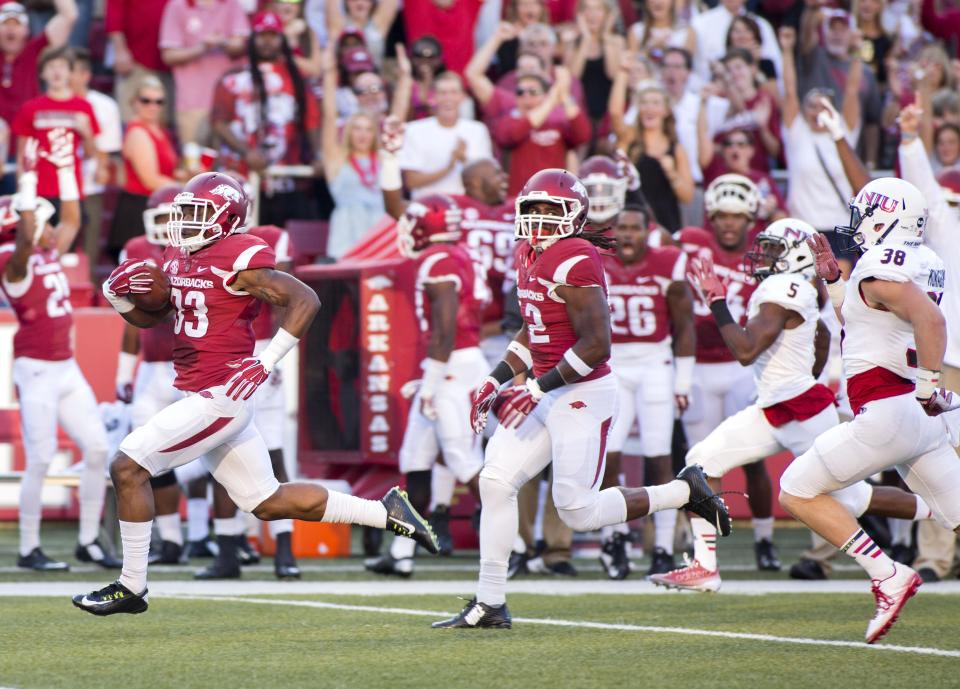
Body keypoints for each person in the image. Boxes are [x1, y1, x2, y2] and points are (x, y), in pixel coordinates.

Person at [74, 171, 439, 615]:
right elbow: (158, 320)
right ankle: (387, 513)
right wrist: (121, 300)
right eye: (184, 212)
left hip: (220, 395)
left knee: (127, 466)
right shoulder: (178, 254)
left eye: (197, 213)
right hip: (202, 393)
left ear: (226, 218)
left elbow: (305, 299)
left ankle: (131, 587)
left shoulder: (239, 255)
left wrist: (266, 362)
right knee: (265, 501)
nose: (186, 222)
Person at [432, 168, 730, 629]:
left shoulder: (575, 256)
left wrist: (532, 388)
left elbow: (595, 346)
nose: (541, 220)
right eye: (535, 209)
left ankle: (684, 491)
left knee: (578, 512)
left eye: (553, 210)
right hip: (550, 388)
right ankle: (490, 602)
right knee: (494, 482)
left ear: (575, 215)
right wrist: (495, 379)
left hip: (582, 392)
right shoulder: (526, 252)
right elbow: (534, 331)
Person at [654, 219, 934, 592]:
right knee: (701, 461)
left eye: (772, 250)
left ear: (794, 256)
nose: (763, 256)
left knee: (856, 497)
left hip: (801, 410)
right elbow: (819, 340)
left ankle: (941, 508)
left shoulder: (783, 287)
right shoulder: (795, 289)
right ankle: (705, 567)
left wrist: (717, 301)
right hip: (774, 406)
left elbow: (745, 349)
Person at [779, 177, 960, 644]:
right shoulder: (922, 260)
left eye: (864, 213)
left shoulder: (882, 262)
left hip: (890, 410)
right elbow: (867, 324)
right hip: (919, 421)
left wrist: (928, 382)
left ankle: (886, 574)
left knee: (796, 490)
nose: (857, 224)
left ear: (886, 215)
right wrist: (837, 285)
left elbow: (930, 320)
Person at [0, 134, 116, 571]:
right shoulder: (15, 259)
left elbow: (71, 218)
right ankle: (29, 547)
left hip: (66, 369)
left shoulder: (42, 251)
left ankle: (87, 540)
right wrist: (27, 178)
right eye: (39, 222)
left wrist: (66, 168)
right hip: (37, 372)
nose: (53, 230)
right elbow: (29, 239)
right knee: (43, 456)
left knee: (98, 450)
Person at [365, 194, 488, 577]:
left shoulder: (439, 261)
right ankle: (402, 551)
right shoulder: (456, 255)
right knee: (414, 460)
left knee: (462, 460)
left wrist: (431, 383)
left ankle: (513, 545)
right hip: (445, 368)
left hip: (451, 369)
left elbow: (446, 329)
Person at [676, 173, 778, 569]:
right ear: (710, 217)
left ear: (750, 217)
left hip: (743, 368)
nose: (730, 223)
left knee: (753, 460)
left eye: (737, 216)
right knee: (698, 465)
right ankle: (702, 552)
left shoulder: (765, 254)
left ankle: (766, 539)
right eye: (722, 216)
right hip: (699, 364)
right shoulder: (691, 245)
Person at [195, 222, 302, 581]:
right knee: (220, 453)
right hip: (226, 351)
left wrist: (274, 355)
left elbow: (286, 296)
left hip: (259, 348)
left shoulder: (266, 238)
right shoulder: (204, 244)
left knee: (272, 453)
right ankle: (228, 550)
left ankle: (284, 551)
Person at [600, 203, 695, 578]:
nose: (627, 235)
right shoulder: (599, 262)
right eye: (621, 228)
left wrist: (683, 380)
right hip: (613, 365)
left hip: (656, 362)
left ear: (647, 231)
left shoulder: (667, 262)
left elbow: (684, 325)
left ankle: (661, 544)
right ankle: (615, 536)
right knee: (609, 454)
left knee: (659, 455)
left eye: (634, 228)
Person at [898, 104, 960, 582]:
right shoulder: (947, 230)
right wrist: (910, 139)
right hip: (953, 356)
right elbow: (927, 195)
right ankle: (935, 556)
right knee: (940, 458)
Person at [115, 185, 185, 565]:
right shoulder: (137, 248)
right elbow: (128, 316)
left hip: (189, 366)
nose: (163, 226)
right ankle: (172, 539)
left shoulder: (197, 248)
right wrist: (124, 371)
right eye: (157, 216)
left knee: (216, 457)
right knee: (146, 452)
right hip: (153, 367)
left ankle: (221, 536)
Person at [211, 11, 323, 227]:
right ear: (252, 39)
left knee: (286, 247)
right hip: (242, 181)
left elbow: (311, 121)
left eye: (273, 35)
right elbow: (219, 122)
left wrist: (318, 155)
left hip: (288, 177)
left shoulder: (296, 78)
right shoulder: (233, 78)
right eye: (262, 35)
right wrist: (247, 151)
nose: (268, 41)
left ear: (282, 39)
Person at [779, 26, 861, 275]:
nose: (817, 112)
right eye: (811, 106)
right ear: (804, 112)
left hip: (839, 227)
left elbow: (852, 90)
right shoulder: (797, 133)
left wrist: (857, 51)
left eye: (824, 106)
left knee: (838, 291)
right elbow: (790, 90)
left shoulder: (842, 132)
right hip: (802, 227)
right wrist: (786, 49)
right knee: (806, 292)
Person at [13, 46, 99, 204]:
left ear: (70, 72)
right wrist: (22, 191)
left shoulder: (84, 107)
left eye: (62, 66)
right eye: (51, 67)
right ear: (42, 73)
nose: (57, 72)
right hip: (38, 190)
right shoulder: (30, 108)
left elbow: (91, 154)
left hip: (71, 189)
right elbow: (22, 155)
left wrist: (86, 132)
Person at [321, 47, 386, 259]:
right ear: (349, 132)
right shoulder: (337, 159)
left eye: (368, 129)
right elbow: (329, 117)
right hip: (347, 234)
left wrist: (404, 79)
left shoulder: (383, 159)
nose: (363, 134)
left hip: (380, 232)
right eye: (357, 128)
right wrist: (330, 76)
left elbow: (397, 114)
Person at [107, 76, 181, 260]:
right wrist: (186, 188)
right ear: (134, 103)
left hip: (157, 208)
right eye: (146, 100)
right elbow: (150, 179)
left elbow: (165, 172)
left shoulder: (160, 131)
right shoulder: (138, 132)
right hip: (139, 209)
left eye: (159, 101)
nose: (153, 106)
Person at [159, 0, 250, 146]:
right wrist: (203, 47)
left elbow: (243, 45)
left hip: (229, 103)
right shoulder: (178, 5)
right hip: (193, 102)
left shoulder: (231, 4)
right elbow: (169, 55)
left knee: (231, 162)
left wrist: (221, 42)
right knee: (195, 161)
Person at [611, 77, 693, 233]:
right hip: (631, 222)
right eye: (644, 103)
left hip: (666, 223)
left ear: (666, 110)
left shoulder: (677, 149)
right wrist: (622, 73)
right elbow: (615, 114)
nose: (649, 108)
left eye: (656, 103)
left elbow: (687, 197)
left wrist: (672, 173)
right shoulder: (630, 138)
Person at [491, 68, 591, 195]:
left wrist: (564, 95)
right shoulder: (507, 121)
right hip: (520, 200)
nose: (526, 96)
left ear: (544, 95)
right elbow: (513, 135)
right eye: (520, 92)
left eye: (533, 91)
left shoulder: (557, 122)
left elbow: (583, 135)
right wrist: (551, 100)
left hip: (553, 197)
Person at [69, 47, 122, 274]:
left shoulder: (104, 105)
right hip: (56, 183)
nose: (66, 76)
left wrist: (102, 166)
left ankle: (87, 286)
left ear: (85, 75)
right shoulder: (50, 101)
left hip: (89, 182)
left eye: (72, 71)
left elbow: (108, 146)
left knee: (90, 245)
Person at [399, 72, 492, 199]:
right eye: (443, 93)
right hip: (427, 208)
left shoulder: (478, 130)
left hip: (466, 208)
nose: (448, 98)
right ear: (434, 97)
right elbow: (411, 182)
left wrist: (464, 159)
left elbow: (484, 179)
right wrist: (449, 167)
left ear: (462, 96)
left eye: (454, 92)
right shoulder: (414, 130)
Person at [0, 0, 77, 135]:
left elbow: (69, 15)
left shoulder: (35, 51)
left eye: (16, 24)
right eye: (5, 24)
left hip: (29, 139)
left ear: (26, 30)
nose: (10, 29)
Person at [105, 0, 173, 123]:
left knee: (164, 122)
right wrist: (120, 50)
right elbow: (114, 11)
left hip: (172, 63)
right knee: (131, 118)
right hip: (135, 58)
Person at [562, 0, 624, 129]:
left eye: (598, 9)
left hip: (607, 115)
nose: (592, 14)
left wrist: (606, 34)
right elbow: (573, 78)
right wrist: (586, 38)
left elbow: (613, 74)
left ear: (607, 14)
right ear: (579, 14)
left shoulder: (617, 41)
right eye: (587, 9)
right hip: (580, 112)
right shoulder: (572, 41)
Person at [691, 0, 781, 86]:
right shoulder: (700, 23)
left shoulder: (762, 25)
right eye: (736, 31)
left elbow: (777, 66)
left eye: (747, 30)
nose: (741, 36)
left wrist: (755, 63)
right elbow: (687, 64)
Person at [325, 0, 397, 66]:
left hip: (374, 78)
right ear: (346, 2)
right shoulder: (338, 26)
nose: (360, 3)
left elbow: (390, 3)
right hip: (344, 78)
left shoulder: (378, 24)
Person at [627, 0, 694, 63]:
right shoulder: (636, 31)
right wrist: (649, 52)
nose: (658, 2)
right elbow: (632, 66)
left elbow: (686, 68)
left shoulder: (686, 32)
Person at [271, 0, 323, 79]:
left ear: (299, 7)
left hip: (302, 85)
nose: (287, 6)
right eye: (282, 2)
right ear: (274, 5)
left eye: (293, 2)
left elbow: (316, 70)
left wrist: (290, 58)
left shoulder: (308, 32)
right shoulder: (266, 32)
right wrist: (286, 35)